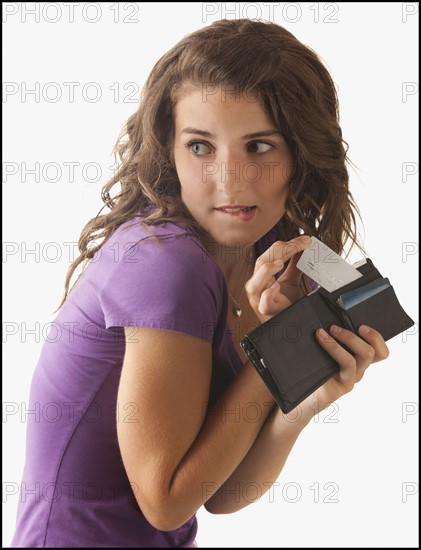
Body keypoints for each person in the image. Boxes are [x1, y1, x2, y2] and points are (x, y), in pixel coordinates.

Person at [11, 18, 390, 548]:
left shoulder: (274, 248)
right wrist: (275, 352)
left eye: (259, 146)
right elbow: (166, 502)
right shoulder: (164, 262)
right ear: (169, 149)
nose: (229, 181)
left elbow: (221, 495)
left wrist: (304, 400)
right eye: (200, 147)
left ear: (302, 153)